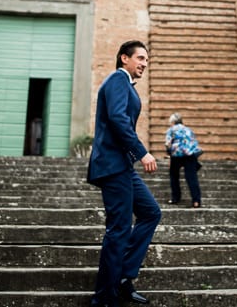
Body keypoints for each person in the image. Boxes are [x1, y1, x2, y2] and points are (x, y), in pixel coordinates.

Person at [87, 40, 161, 307]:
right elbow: (118, 119)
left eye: (146, 60)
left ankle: (122, 278)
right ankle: (105, 298)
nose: (143, 63)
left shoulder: (126, 83)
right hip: (112, 165)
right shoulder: (117, 80)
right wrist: (142, 152)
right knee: (118, 229)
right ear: (124, 59)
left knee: (151, 212)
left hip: (122, 166)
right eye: (140, 58)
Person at [164, 113, 203, 208]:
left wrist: (169, 153)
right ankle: (196, 201)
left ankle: (175, 198)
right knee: (192, 178)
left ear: (173, 122)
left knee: (174, 177)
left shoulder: (171, 130)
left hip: (176, 155)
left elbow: (168, 144)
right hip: (190, 155)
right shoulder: (188, 130)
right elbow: (194, 143)